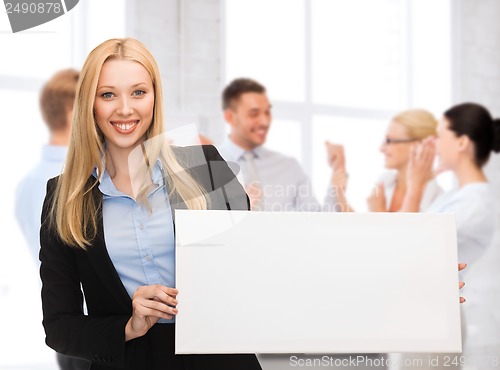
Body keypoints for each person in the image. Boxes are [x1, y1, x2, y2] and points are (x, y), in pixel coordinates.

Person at [39, 38, 261, 370]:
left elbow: (251, 278)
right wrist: (128, 326)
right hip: (130, 359)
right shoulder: (64, 198)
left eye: (139, 92)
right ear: (90, 103)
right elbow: (59, 327)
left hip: (219, 357)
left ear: (155, 99)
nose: (125, 109)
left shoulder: (207, 166)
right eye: (108, 94)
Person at [15, 68, 90, 370]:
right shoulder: (67, 181)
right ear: (75, 111)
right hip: (89, 330)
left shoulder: (28, 182)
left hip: (76, 331)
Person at [402, 102, 499, 265]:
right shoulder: (457, 196)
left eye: (439, 135)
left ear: (462, 143)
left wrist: (414, 189)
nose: (433, 142)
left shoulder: (473, 206)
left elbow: (406, 248)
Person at [218, 78, 334, 211]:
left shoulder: (290, 167)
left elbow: (315, 219)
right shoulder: (207, 167)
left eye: (267, 112)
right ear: (230, 117)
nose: (265, 121)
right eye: (254, 114)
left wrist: (337, 176)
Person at [326, 109, 443, 212]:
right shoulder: (384, 182)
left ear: (418, 145)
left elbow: (398, 234)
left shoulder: (438, 201)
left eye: (389, 141)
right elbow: (365, 229)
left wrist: (379, 214)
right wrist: (339, 192)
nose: (381, 148)